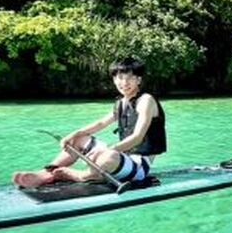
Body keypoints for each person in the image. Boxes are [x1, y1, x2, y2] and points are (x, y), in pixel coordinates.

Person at [12, 57, 166, 187]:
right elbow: (101, 123)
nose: (124, 82)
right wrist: (74, 134)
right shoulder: (121, 102)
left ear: (138, 80)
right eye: (120, 78)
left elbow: (138, 137)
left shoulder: (146, 100)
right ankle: (47, 173)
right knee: (78, 139)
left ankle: (79, 176)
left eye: (129, 78)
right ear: (114, 80)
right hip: (122, 158)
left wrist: (109, 150)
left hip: (138, 166)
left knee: (108, 157)